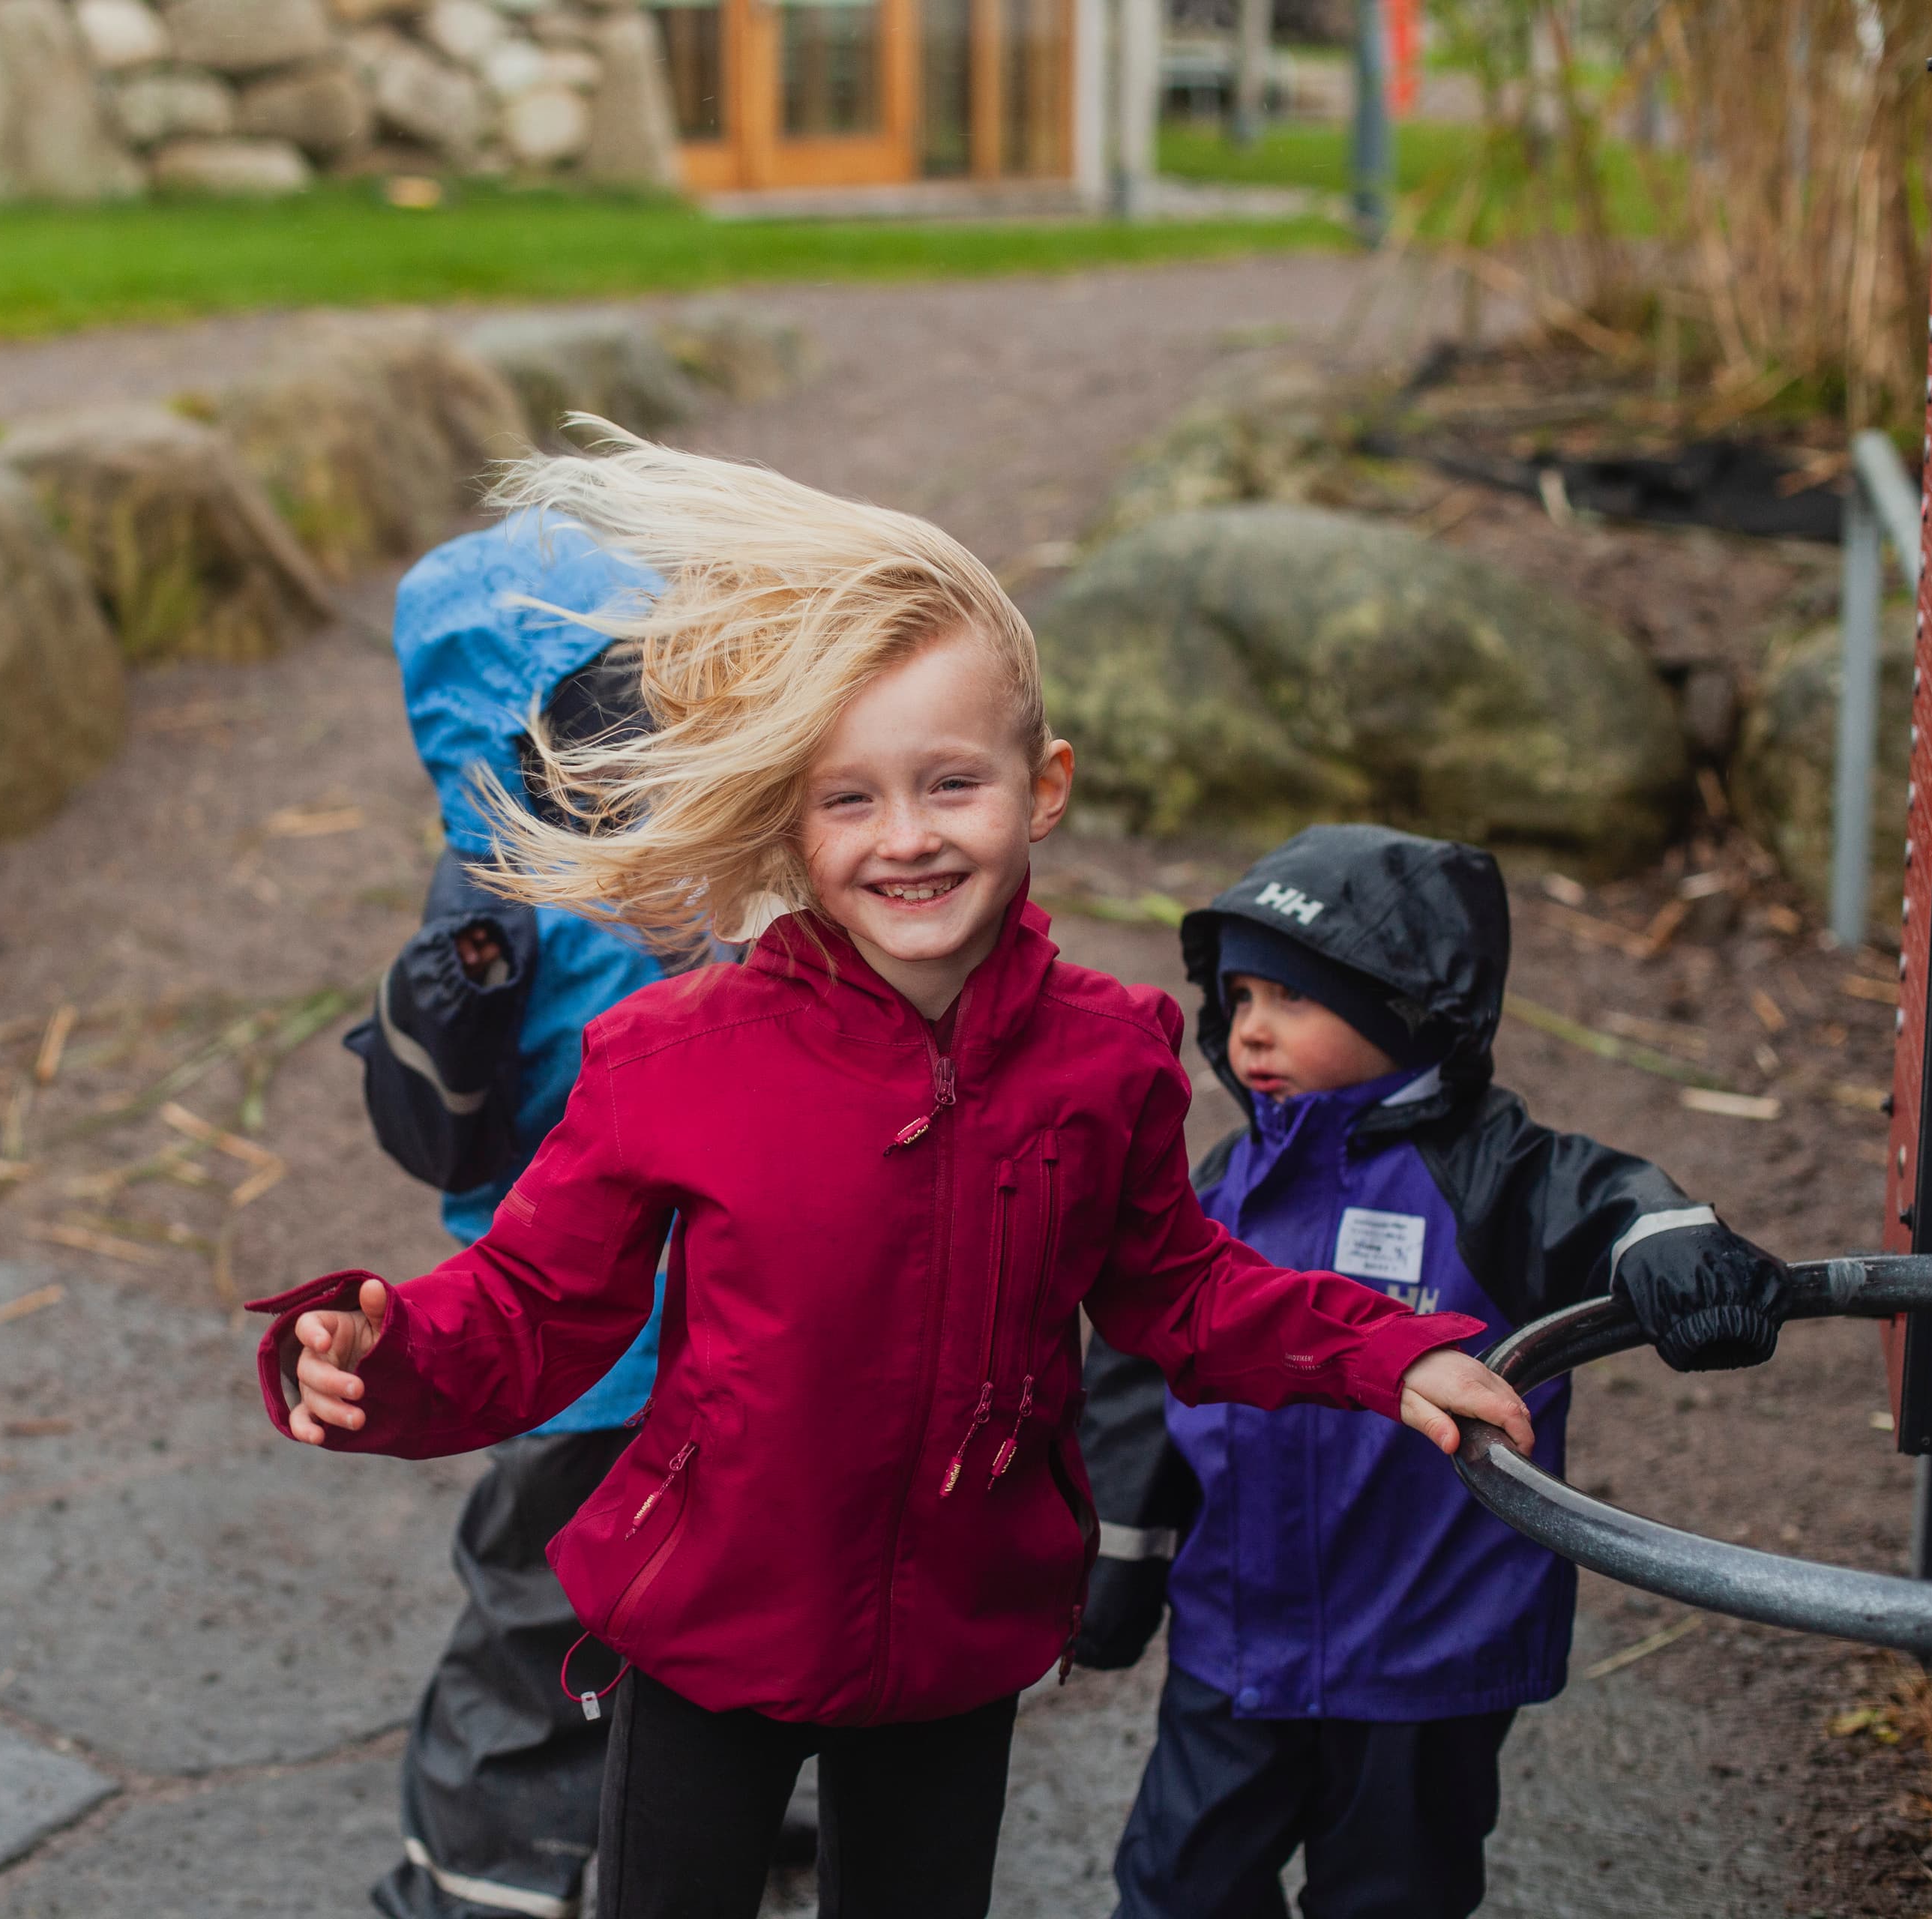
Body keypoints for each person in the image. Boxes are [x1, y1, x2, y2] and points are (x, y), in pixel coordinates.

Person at [253, 432, 1535, 1919]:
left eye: (951, 782)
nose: (909, 837)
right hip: (712, 1610)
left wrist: (1389, 1355)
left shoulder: (1106, 1052)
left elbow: (1175, 1280)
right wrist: (382, 1353)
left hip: (959, 1622)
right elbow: (541, 1299)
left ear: (1040, 785)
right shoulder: (670, 1055)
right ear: (784, 816)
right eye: (849, 798)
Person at [1072, 824, 1792, 1919]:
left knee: (1393, 1897)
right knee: (1178, 1887)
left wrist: (1676, 1250)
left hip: (1422, 1652)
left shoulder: (1493, 1171)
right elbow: (1141, 1367)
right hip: (1235, 1641)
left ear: (1403, 1008)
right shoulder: (1224, 1182)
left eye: (1292, 1000)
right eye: (1241, 998)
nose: (1252, 1029)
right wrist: (1117, 1556)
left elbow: (1615, 1204)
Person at [343, 507, 681, 1919]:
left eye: (652, 696)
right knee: (544, 1608)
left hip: (726, 1315)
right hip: (581, 1341)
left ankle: (674, 1804)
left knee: (703, 1580)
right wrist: (456, 993)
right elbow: (428, 1128)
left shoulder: (697, 853)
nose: (638, 736)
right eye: (600, 711)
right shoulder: (498, 899)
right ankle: (473, 1874)